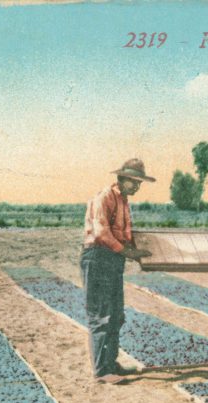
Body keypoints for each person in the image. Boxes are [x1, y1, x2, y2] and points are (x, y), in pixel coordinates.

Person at [81, 158, 155, 384]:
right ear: (121, 178)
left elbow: (123, 233)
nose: (136, 186)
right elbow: (102, 232)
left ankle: (111, 363)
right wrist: (128, 252)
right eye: (133, 181)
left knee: (115, 314)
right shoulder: (105, 197)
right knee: (102, 314)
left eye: (138, 182)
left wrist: (137, 248)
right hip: (98, 257)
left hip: (113, 259)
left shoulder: (122, 201)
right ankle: (102, 371)